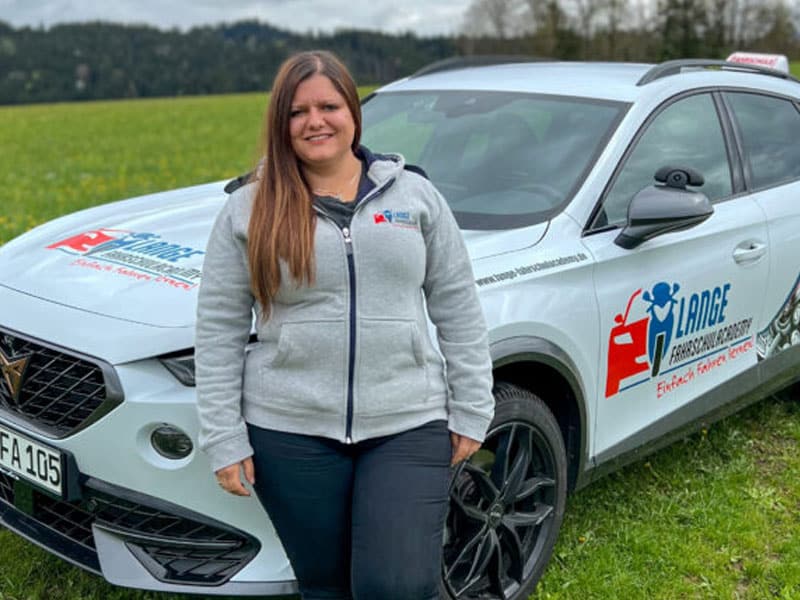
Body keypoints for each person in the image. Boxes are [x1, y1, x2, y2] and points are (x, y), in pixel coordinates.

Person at [195, 50, 494, 600]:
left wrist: (473, 403)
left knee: (395, 585)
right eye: (297, 111)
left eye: (329, 105)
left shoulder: (415, 196)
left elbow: (457, 303)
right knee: (325, 585)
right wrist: (224, 438)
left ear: (353, 113)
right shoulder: (248, 208)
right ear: (280, 123)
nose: (315, 121)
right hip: (289, 428)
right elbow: (219, 330)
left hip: (407, 419)